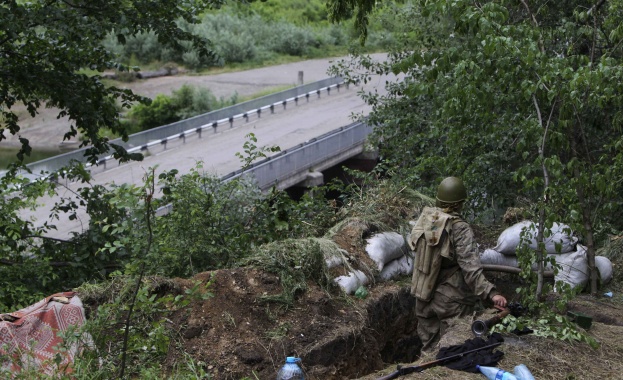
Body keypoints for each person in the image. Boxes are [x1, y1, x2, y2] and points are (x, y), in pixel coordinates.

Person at [408, 176, 507, 351]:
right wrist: (491, 294)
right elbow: (471, 269)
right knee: (451, 349)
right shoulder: (460, 228)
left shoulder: (425, 220)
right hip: (450, 301)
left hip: (423, 295)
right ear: (460, 203)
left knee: (429, 350)